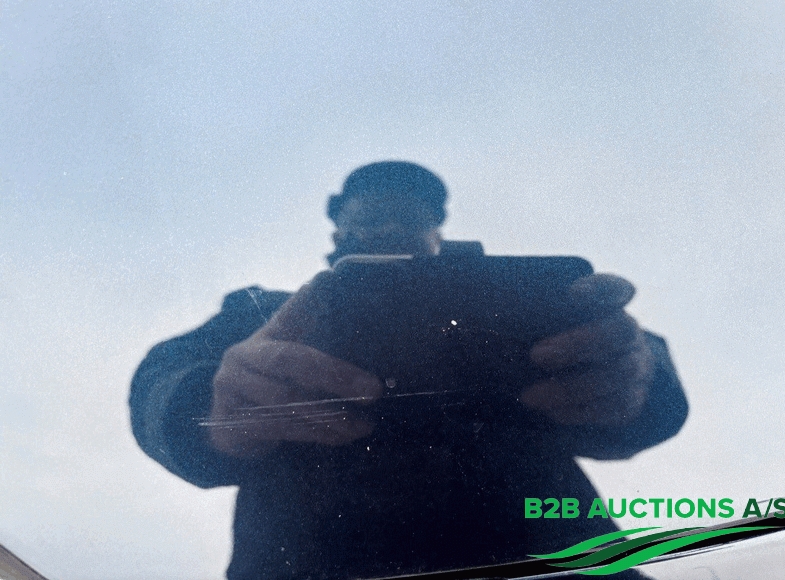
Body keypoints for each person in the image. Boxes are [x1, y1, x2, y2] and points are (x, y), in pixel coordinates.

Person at [130, 161, 688, 580]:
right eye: (371, 217)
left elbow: (641, 369)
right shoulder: (265, 315)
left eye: (411, 218)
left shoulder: (505, 307)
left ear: (437, 232)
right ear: (338, 231)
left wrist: (637, 367)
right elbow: (162, 380)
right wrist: (211, 405)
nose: (389, 228)